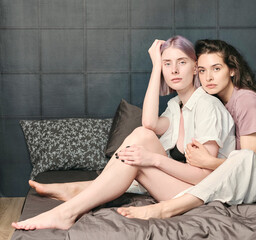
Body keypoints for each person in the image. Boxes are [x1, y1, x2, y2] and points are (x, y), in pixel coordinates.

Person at [12, 36, 235, 230]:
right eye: (168, 64)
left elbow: (205, 177)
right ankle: (79, 193)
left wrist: (153, 159)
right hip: (181, 187)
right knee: (142, 135)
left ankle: (69, 209)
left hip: (200, 196)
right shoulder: (177, 105)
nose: (174, 70)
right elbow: (148, 124)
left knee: (139, 150)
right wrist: (156, 67)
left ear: (195, 67)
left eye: (182, 62)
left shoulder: (207, 106)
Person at [116, 39, 256, 220]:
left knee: (244, 158)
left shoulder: (246, 101)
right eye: (202, 70)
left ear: (232, 70)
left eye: (216, 69)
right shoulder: (214, 102)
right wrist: (156, 67)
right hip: (233, 183)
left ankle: (167, 208)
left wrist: (208, 162)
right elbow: (150, 123)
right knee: (141, 169)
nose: (208, 77)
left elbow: (248, 165)